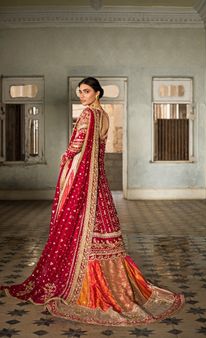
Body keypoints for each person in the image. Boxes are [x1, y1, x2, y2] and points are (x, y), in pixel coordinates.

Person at [0, 77, 184, 326]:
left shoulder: (88, 114)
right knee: (103, 228)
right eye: (80, 92)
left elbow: (77, 145)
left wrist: (65, 157)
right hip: (99, 183)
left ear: (97, 93)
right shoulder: (105, 116)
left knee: (75, 227)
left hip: (85, 183)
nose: (82, 96)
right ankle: (114, 285)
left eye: (86, 91)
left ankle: (85, 286)